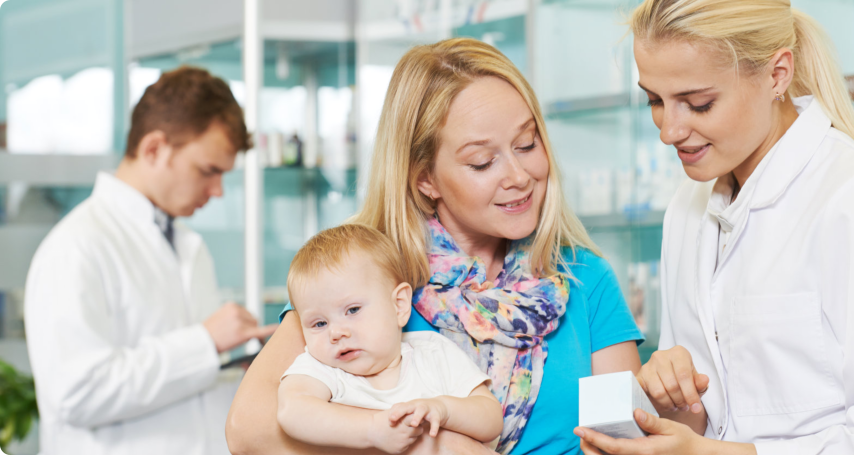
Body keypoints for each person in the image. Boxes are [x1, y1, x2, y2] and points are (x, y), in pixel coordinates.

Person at [573, 1, 854, 454]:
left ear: (777, 75)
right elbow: (726, 413)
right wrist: (676, 401)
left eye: (699, 103)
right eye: (654, 100)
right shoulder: (687, 208)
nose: (669, 130)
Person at [226, 38, 645, 455]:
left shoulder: (584, 278)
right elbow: (250, 431)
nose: (518, 175)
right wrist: (436, 444)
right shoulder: (360, 276)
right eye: (482, 161)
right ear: (425, 178)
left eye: (526, 144)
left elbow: (625, 442)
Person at [24, 66, 278, 455]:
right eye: (208, 171)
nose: (218, 191)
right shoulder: (76, 247)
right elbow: (75, 393)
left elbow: (181, 382)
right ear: (154, 149)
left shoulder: (188, 244)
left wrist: (241, 365)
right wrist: (205, 343)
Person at [277, 224, 503, 452]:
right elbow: (292, 410)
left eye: (353, 310)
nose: (336, 333)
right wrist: (372, 430)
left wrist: (443, 410)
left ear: (399, 305)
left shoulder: (433, 353)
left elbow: (492, 420)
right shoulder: (322, 369)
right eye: (319, 324)